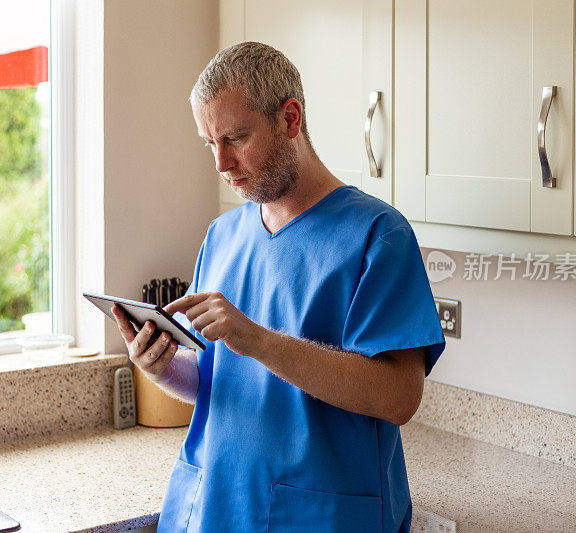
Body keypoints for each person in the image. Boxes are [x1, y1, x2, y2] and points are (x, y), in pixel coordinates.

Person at [112, 41, 446, 533]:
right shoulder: (223, 236)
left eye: (235, 138)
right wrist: (162, 368)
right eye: (209, 143)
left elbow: (399, 398)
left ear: (290, 118)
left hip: (323, 515)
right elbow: (217, 377)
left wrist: (260, 341)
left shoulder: (378, 236)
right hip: (216, 507)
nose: (221, 163)